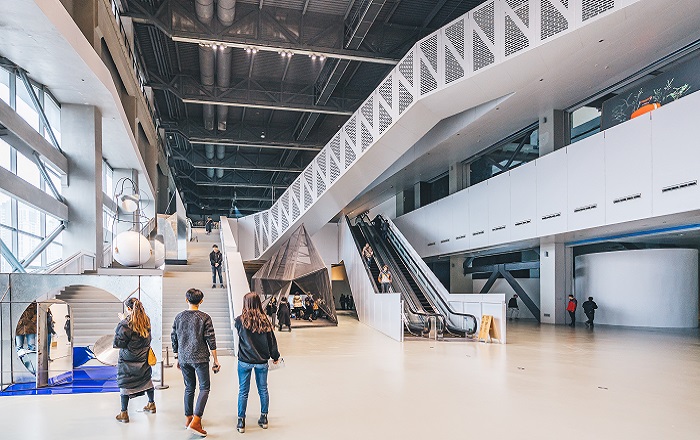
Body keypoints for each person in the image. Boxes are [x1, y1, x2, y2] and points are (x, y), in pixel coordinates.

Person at [171, 288, 221, 437]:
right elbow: (211, 339)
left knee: (189, 387)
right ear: (201, 301)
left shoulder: (179, 317)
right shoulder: (204, 317)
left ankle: (188, 419)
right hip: (200, 358)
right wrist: (216, 359)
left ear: (187, 300)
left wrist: (177, 357)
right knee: (204, 388)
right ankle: (196, 421)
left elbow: (174, 337)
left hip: (184, 358)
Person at [235, 292, 281, 433]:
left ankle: (241, 422)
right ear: (258, 303)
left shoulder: (239, 320)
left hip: (244, 360)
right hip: (261, 361)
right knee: (263, 389)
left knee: (243, 391)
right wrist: (275, 356)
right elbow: (271, 341)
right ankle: (264, 419)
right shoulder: (265, 320)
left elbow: (241, 337)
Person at [113, 298, 155, 423]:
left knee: (125, 382)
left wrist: (122, 321)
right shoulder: (146, 320)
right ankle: (151, 404)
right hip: (143, 357)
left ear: (128, 309)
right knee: (146, 379)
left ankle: (124, 413)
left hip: (128, 359)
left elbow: (118, 343)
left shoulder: (124, 324)